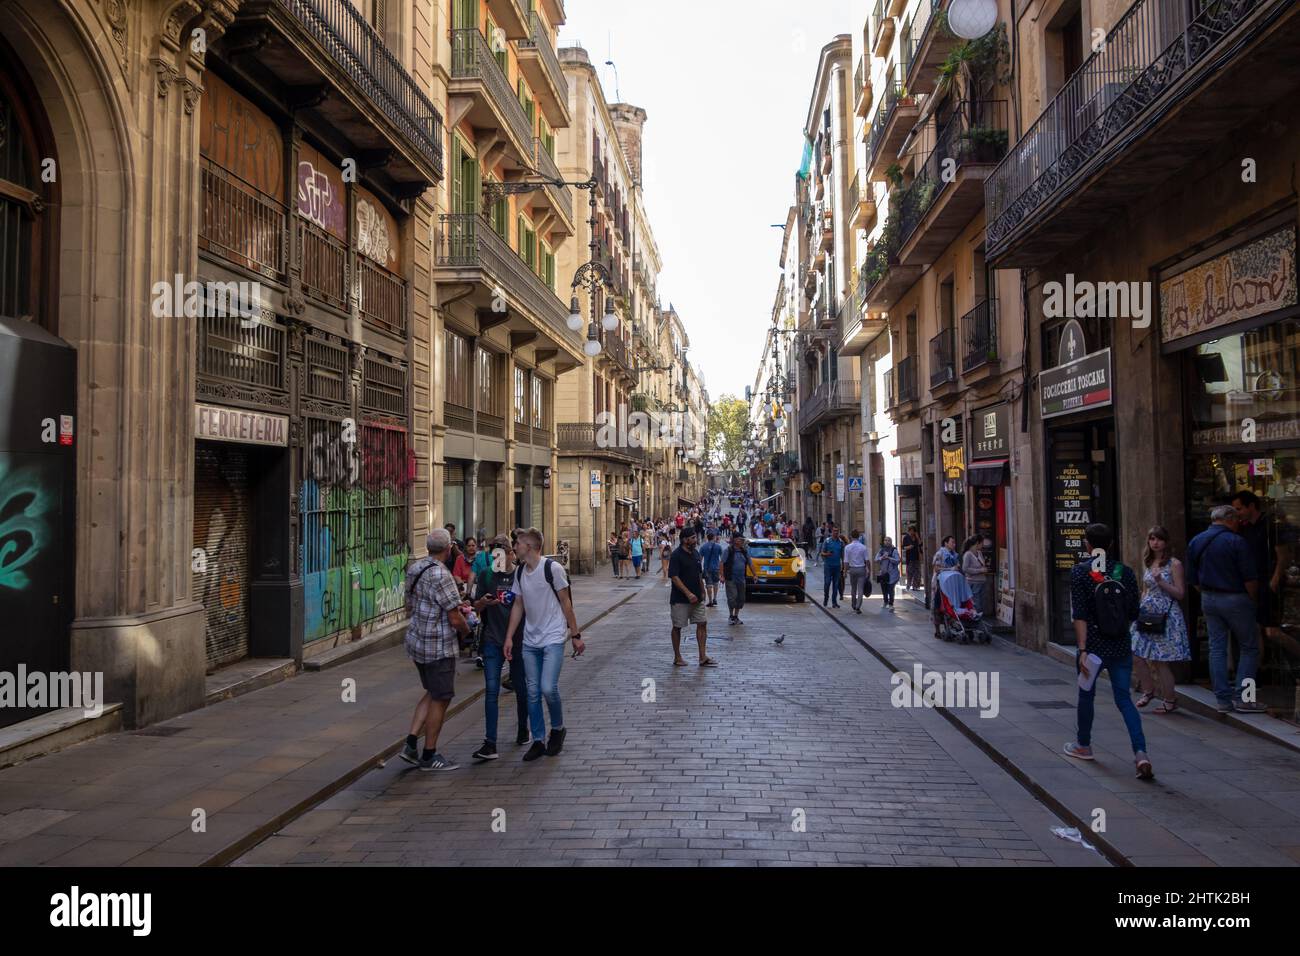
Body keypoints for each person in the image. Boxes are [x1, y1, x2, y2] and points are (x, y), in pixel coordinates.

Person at [1064, 523, 1152, 780]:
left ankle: (1083, 745)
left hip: (1092, 647)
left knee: (1086, 695)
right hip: (1120, 644)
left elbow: (1078, 615)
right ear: (1111, 544)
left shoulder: (1080, 572)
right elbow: (1134, 612)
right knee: (1124, 700)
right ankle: (1141, 753)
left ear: (1087, 544)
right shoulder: (1124, 572)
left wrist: (1081, 649)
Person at [503, 528, 585, 762]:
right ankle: (538, 739)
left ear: (529, 546)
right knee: (532, 692)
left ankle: (557, 729)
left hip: (553, 637)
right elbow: (518, 605)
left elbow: (565, 602)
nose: (514, 547)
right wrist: (509, 637)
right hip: (530, 640)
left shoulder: (553, 569)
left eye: (517, 543)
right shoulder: (519, 573)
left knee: (547, 688)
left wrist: (575, 634)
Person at [1186, 504, 1264, 714]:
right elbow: (1250, 577)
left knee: (1217, 648)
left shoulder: (1197, 540)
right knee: (1249, 647)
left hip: (1209, 598)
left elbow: (1192, 577)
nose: (1239, 522)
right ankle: (1244, 698)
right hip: (1236, 597)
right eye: (1237, 519)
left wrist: (1206, 593)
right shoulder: (1236, 541)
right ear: (1229, 519)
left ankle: (1222, 698)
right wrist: (1253, 599)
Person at [401, 529, 467, 772]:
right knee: (441, 697)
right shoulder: (442, 574)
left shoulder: (416, 568)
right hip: (438, 645)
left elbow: (409, 603)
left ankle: (410, 744)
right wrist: (467, 632)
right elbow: (454, 616)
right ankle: (429, 755)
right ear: (448, 548)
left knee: (431, 691)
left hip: (417, 641)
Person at [469, 537, 530, 761]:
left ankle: (523, 728)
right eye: (493, 556)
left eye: (500, 555)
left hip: (519, 640)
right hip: (492, 640)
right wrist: (483, 603)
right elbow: (475, 605)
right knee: (492, 690)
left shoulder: (521, 575)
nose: (497, 560)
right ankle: (490, 742)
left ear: (511, 554)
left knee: (521, 689)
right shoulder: (486, 575)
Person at [1130, 526, 1189, 716]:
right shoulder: (1148, 562)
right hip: (1146, 613)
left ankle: (1170, 700)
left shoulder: (1174, 564)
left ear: (1166, 542)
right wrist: (1139, 606)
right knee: (1136, 654)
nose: (1155, 543)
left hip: (1166, 616)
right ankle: (1148, 690)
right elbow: (1145, 589)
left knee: (1160, 660)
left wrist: (1162, 582)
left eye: (1159, 539)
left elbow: (1180, 593)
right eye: (1152, 539)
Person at [669, 529, 716, 667]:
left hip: (697, 598)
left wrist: (702, 591)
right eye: (693, 538)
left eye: (695, 537)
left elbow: (699, 574)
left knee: (702, 623)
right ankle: (677, 657)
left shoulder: (696, 553)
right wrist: (688, 593)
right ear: (685, 540)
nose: (696, 540)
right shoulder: (676, 555)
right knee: (677, 627)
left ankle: (702, 656)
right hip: (680, 599)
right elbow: (674, 577)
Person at [721, 532, 756, 625]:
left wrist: (754, 574)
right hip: (730, 578)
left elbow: (750, 563)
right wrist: (722, 576)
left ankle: (736, 616)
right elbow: (722, 563)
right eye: (741, 539)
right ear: (735, 540)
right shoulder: (728, 551)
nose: (742, 541)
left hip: (741, 579)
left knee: (741, 598)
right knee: (732, 597)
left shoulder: (744, 551)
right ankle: (730, 616)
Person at [962, 535, 991, 616]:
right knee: (976, 602)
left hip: (982, 581)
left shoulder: (979, 553)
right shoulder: (968, 554)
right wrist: (979, 570)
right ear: (977, 543)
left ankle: (978, 619)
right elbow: (965, 569)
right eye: (982, 543)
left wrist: (984, 569)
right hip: (973, 582)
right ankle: (976, 620)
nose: (983, 545)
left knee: (981, 602)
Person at [929, 535, 957, 611]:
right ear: (946, 543)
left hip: (951, 581)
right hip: (940, 581)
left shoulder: (954, 554)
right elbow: (936, 569)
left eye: (954, 543)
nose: (954, 544)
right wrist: (950, 569)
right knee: (939, 602)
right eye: (952, 542)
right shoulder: (940, 553)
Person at [845, 530, 870, 613]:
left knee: (853, 588)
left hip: (852, 569)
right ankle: (858, 606)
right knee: (860, 589)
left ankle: (853, 603)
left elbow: (846, 561)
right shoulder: (863, 547)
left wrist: (845, 571)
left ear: (851, 536)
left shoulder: (847, 547)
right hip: (861, 569)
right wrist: (868, 570)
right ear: (859, 536)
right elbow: (867, 560)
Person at [875, 536, 902, 610]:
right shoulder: (881, 550)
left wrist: (889, 558)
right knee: (884, 589)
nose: (887, 542)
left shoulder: (894, 551)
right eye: (885, 540)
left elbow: (898, 560)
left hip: (892, 574)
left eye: (888, 540)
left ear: (891, 542)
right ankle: (885, 601)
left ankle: (891, 604)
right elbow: (876, 559)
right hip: (883, 573)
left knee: (890, 589)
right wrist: (882, 558)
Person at [699, 530, 723, 608]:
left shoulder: (703, 547)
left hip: (707, 568)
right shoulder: (718, 546)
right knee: (716, 583)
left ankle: (710, 601)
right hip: (716, 568)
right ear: (713, 538)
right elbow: (722, 559)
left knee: (708, 585)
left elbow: (700, 559)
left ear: (707, 538)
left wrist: (700, 569)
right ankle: (715, 598)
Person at [821, 528, 844, 608]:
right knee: (827, 583)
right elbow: (822, 553)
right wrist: (827, 554)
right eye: (834, 531)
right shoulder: (827, 541)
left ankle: (834, 602)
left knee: (836, 584)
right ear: (832, 532)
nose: (836, 532)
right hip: (828, 566)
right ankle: (826, 599)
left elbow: (843, 555)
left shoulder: (841, 542)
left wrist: (844, 566)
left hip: (837, 566)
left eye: (837, 531)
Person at [902, 527, 921, 591]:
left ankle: (915, 586)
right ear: (909, 531)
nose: (912, 532)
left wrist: (918, 537)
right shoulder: (906, 538)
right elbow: (904, 547)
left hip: (916, 557)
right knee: (909, 572)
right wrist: (909, 547)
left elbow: (920, 544)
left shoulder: (916, 538)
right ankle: (908, 585)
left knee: (917, 572)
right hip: (909, 557)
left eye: (913, 531)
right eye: (911, 531)